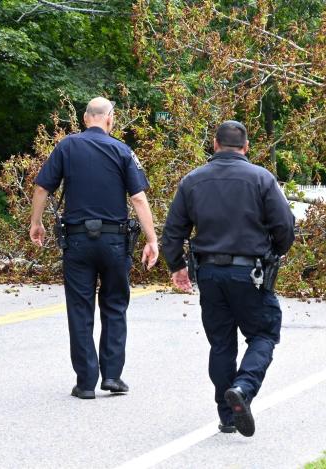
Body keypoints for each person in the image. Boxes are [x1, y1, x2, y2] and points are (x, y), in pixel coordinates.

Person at [161, 120, 295, 437]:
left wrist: (176, 265)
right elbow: (285, 228)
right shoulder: (262, 179)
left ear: (215, 144)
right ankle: (244, 388)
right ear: (246, 147)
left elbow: (173, 231)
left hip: (208, 273)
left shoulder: (192, 181)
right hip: (251, 273)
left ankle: (228, 415)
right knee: (263, 334)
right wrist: (272, 251)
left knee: (221, 343)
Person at [29, 97, 159, 399]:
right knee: (114, 306)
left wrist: (36, 222)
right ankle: (112, 376)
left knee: (80, 309)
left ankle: (86, 382)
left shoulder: (66, 147)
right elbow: (138, 199)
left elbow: (41, 188)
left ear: (86, 118)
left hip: (77, 242)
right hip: (114, 242)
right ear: (110, 119)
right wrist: (152, 240)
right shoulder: (123, 150)